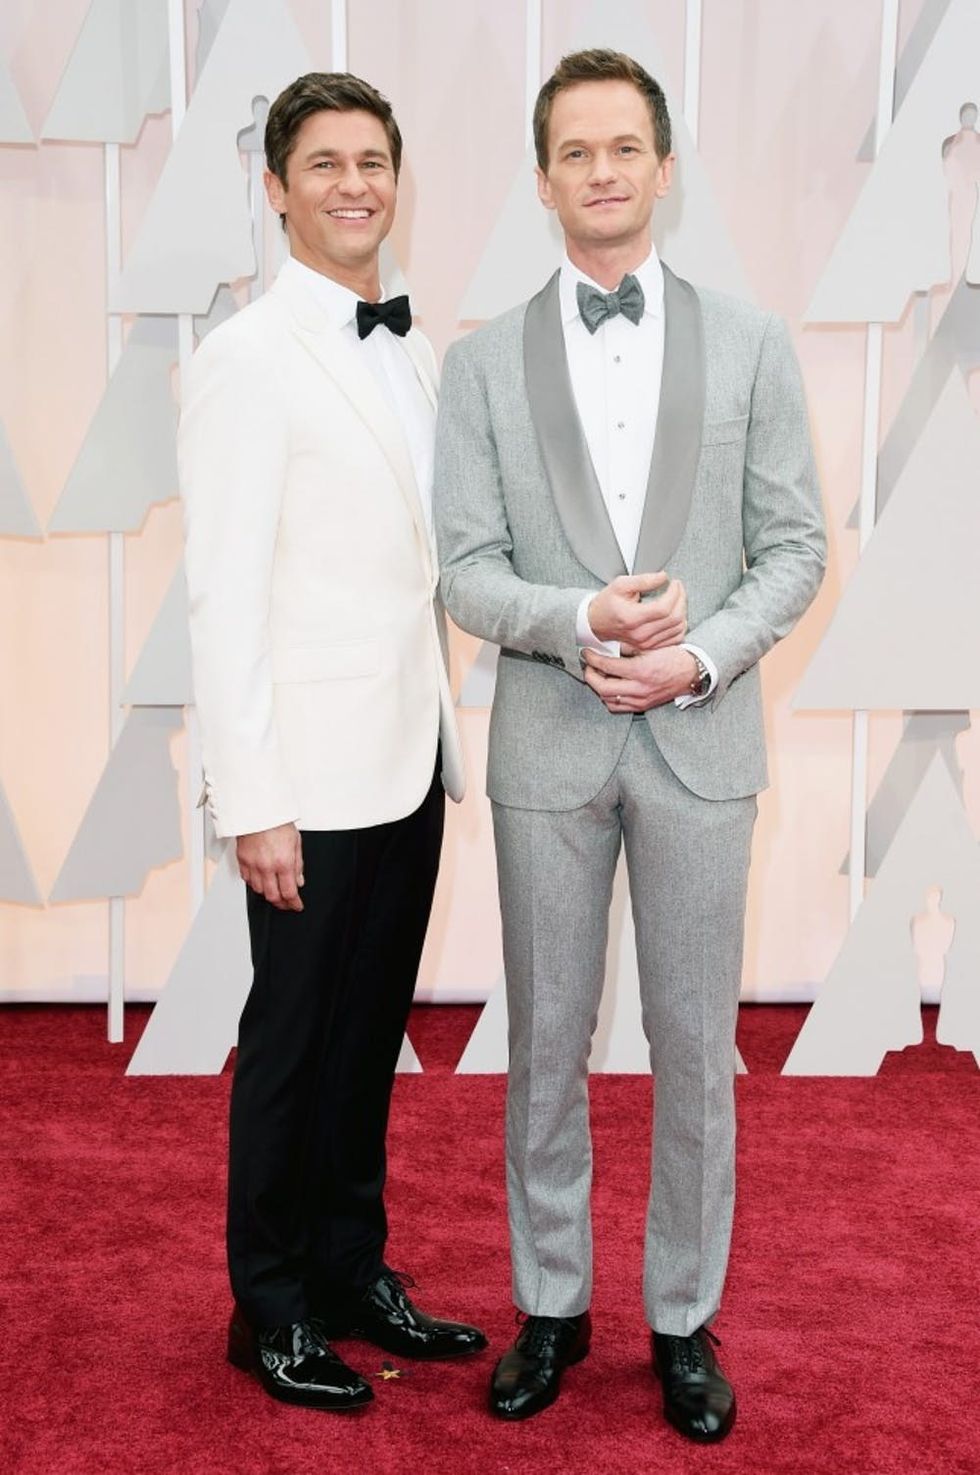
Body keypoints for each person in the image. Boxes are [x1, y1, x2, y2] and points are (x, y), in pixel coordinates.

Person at [434, 48, 825, 1441]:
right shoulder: (480, 362)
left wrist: (698, 654)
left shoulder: (755, 343)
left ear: (663, 167)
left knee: (695, 1047)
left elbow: (794, 548)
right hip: (547, 751)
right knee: (544, 1041)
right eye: (574, 151)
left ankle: (682, 1318)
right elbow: (467, 570)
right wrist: (575, 620)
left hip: (703, 747)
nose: (600, 171)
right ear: (543, 180)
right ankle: (552, 1304)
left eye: (622, 148)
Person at [179, 71, 486, 1413]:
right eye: (324, 164)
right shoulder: (247, 359)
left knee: (366, 1042)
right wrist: (253, 797)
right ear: (276, 189)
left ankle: (351, 1271)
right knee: (294, 1046)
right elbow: (223, 593)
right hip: (304, 780)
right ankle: (270, 1307)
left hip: (407, 757)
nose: (354, 185)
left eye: (372, 162)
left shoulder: (409, 347)